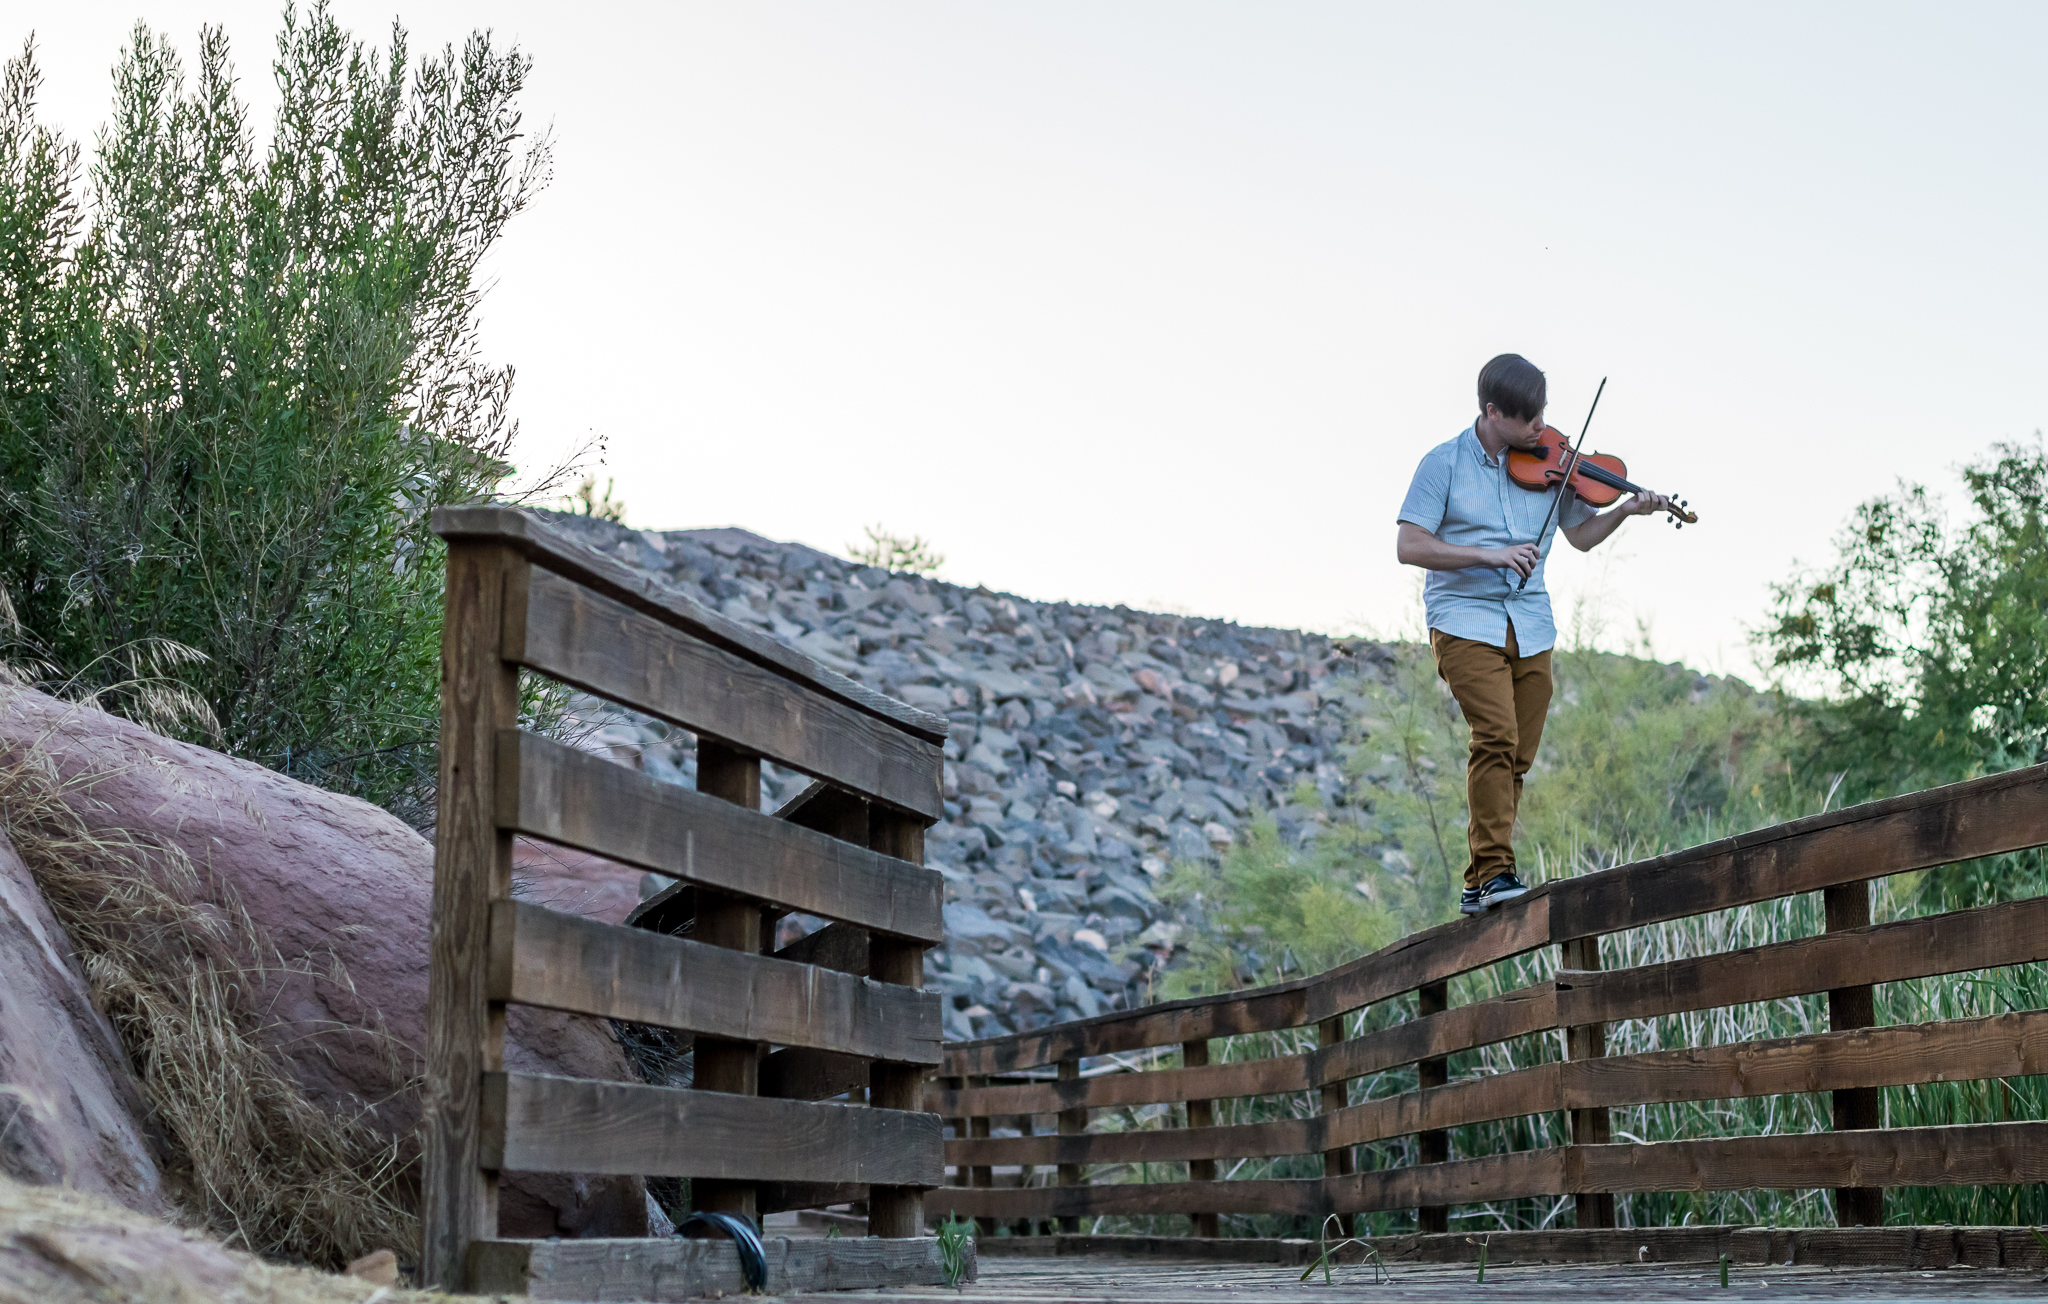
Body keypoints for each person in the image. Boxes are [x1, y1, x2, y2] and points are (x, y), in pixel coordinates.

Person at [1395, 354, 1672, 914]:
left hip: (1531, 624)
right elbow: (1409, 545)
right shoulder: (1442, 464)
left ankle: (1480, 883)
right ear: (1493, 412)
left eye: (1543, 413)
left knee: (1517, 752)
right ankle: (1497, 872)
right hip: (1463, 620)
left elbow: (1582, 536)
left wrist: (1626, 512)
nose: (1541, 429)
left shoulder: (1550, 461)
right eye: (1528, 421)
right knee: (1495, 736)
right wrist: (1490, 554)